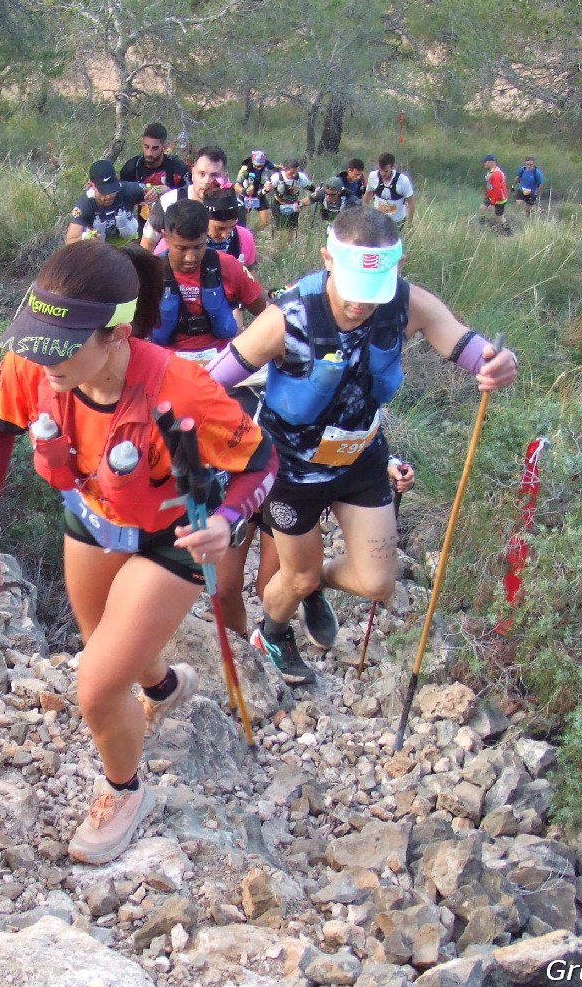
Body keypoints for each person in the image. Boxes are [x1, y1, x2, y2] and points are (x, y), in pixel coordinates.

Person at [0, 239, 278, 863]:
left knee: (97, 686)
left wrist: (228, 519)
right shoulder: (36, 367)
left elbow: (262, 462)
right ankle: (163, 687)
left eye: (62, 345)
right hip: (94, 519)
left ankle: (126, 791)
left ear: (117, 335)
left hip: (171, 537)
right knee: (105, 645)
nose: (42, 358)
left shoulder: (181, 390)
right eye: (36, 340)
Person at [203, 207, 518, 685]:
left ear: (396, 267)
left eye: (373, 291)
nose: (360, 303)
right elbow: (213, 382)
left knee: (376, 582)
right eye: (352, 288)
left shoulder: (408, 304)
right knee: (296, 577)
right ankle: (274, 633)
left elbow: (468, 346)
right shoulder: (287, 318)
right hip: (290, 470)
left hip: (360, 458)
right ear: (327, 259)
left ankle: (315, 583)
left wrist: (495, 363)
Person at [148, 199, 268, 361]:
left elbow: (267, 312)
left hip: (220, 361)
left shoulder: (229, 266)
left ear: (206, 236)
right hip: (166, 361)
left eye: (198, 247)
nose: (190, 258)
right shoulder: (150, 272)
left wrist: (247, 347)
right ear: (166, 238)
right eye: (181, 248)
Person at [141, 146, 229, 250]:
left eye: (214, 175)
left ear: (225, 177)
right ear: (193, 173)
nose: (206, 181)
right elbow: (146, 246)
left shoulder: (233, 207)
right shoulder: (168, 202)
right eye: (202, 174)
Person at [152, 189, 258, 270]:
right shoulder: (180, 239)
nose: (225, 235)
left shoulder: (244, 237)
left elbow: (251, 277)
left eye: (232, 227)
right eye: (219, 228)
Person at [119, 122, 191, 223]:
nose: (149, 153)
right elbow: (119, 196)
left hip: (175, 223)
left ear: (164, 147)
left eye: (155, 148)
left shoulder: (178, 168)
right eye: (146, 147)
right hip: (144, 223)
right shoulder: (132, 167)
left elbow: (192, 196)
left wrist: (169, 191)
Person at [66, 160, 147, 245]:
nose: (108, 196)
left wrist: (154, 193)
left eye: (112, 190)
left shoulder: (128, 189)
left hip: (130, 243)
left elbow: (153, 189)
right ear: (91, 185)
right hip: (101, 249)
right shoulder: (84, 205)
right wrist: (86, 238)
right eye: (103, 191)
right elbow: (70, 241)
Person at [364, 153, 416, 229]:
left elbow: (411, 203)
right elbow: (367, 196)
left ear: (393, 166)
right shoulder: (373, 177)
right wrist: (364, 215)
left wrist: (409, 224)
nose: (383, 174)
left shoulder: (403, 181)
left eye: (386, 171)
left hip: (397, 221)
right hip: (378, 220)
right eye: (380, 170)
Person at [267, 159, 311, 240]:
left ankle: (288, 244)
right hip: (279, 205)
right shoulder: (276, 177)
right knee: (280, 230)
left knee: (291, 229)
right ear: (284, 170)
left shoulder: (301, 178)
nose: (294, 175)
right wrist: (267, 189)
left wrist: (317, 193)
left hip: (294, 206)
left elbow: (312, 189)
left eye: (296, 172)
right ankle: (280, 244)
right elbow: (265, 190)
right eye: (291, 173)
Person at [235, 149, 277, 228]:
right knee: (242, 221)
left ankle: (254, 231)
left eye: (261, 166)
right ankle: (243, 232)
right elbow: (236, 186)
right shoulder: (245, 168)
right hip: (245, 195)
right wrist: (245, 191)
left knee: (265, 221)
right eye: (257, 166)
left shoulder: (268, 164)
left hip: (260, 193)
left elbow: (278, 167)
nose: (259, 168)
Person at [481, 154, 512, 234]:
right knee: (482, 208)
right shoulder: (491, 172)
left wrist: (492, 203)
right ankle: (481, 226)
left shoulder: (496, 174)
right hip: (491, 196)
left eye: (485, 162)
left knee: (499, 217)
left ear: (490, 162)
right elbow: (491, 186)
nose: (484, 164)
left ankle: (509, 232)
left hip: (499, 198)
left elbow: (497, 190)